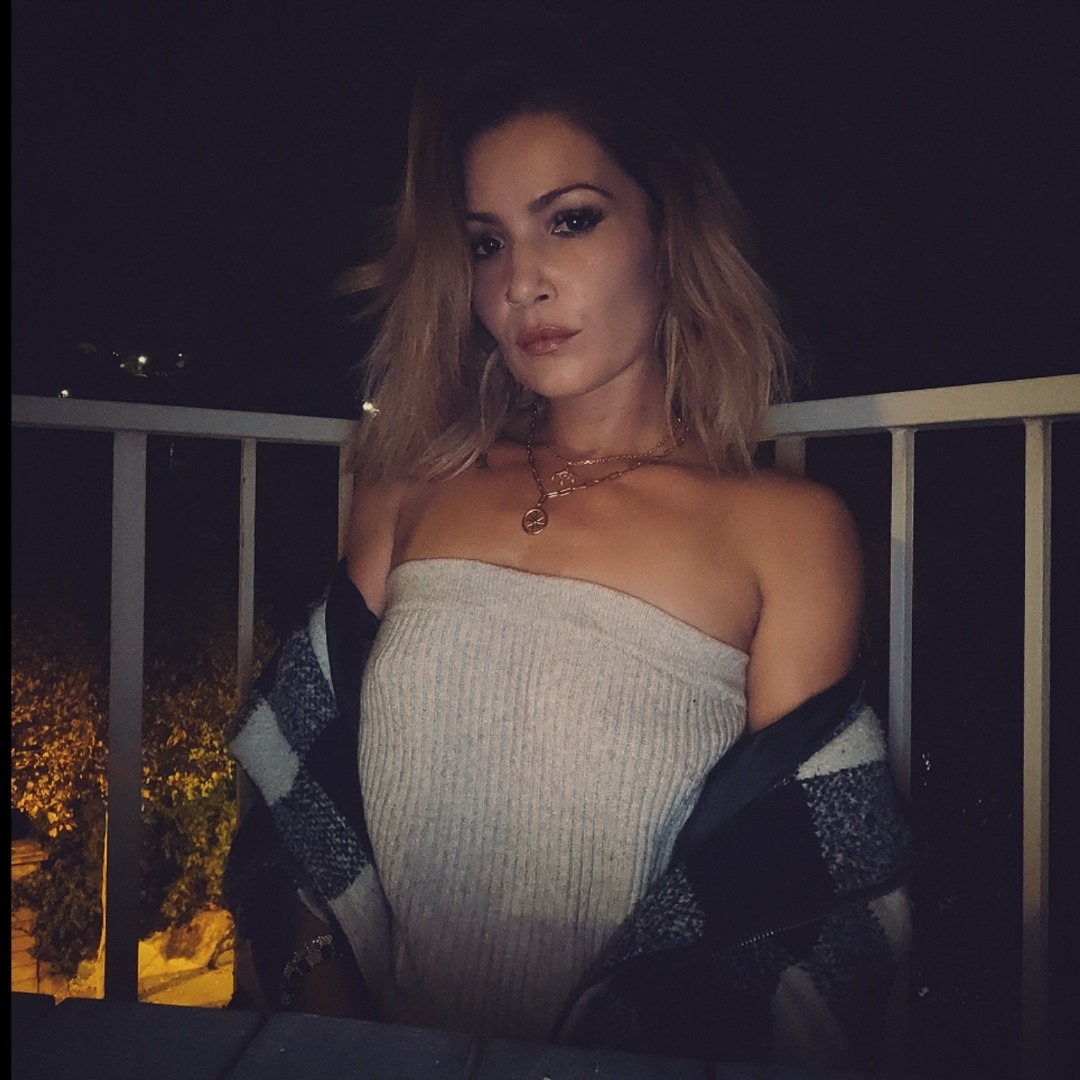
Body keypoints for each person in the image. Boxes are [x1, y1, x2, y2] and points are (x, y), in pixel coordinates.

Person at [225, 3, 915, 1069]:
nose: (521, 282)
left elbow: (802, 902)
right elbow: (299, 805)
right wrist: (337, 1021)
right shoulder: (405, 487)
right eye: (487, 243)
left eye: (573, 220)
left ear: (667, 232)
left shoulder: (787, 533)